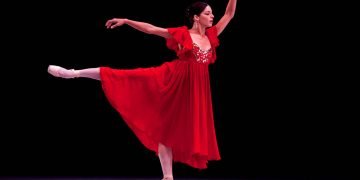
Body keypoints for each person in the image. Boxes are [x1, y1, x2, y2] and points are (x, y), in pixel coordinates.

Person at [48, 0, 237, 179]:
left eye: (212, 13)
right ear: (196, 17)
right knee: (125, 77)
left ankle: (167, 176)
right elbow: (151, 29)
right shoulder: (183, 34)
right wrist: (127, 21)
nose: (212, 16)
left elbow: (229, 13)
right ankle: (73, 73)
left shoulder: (212, 35)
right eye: (207, 13)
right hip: (172, 80)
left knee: (175, 130)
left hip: (196, 91)